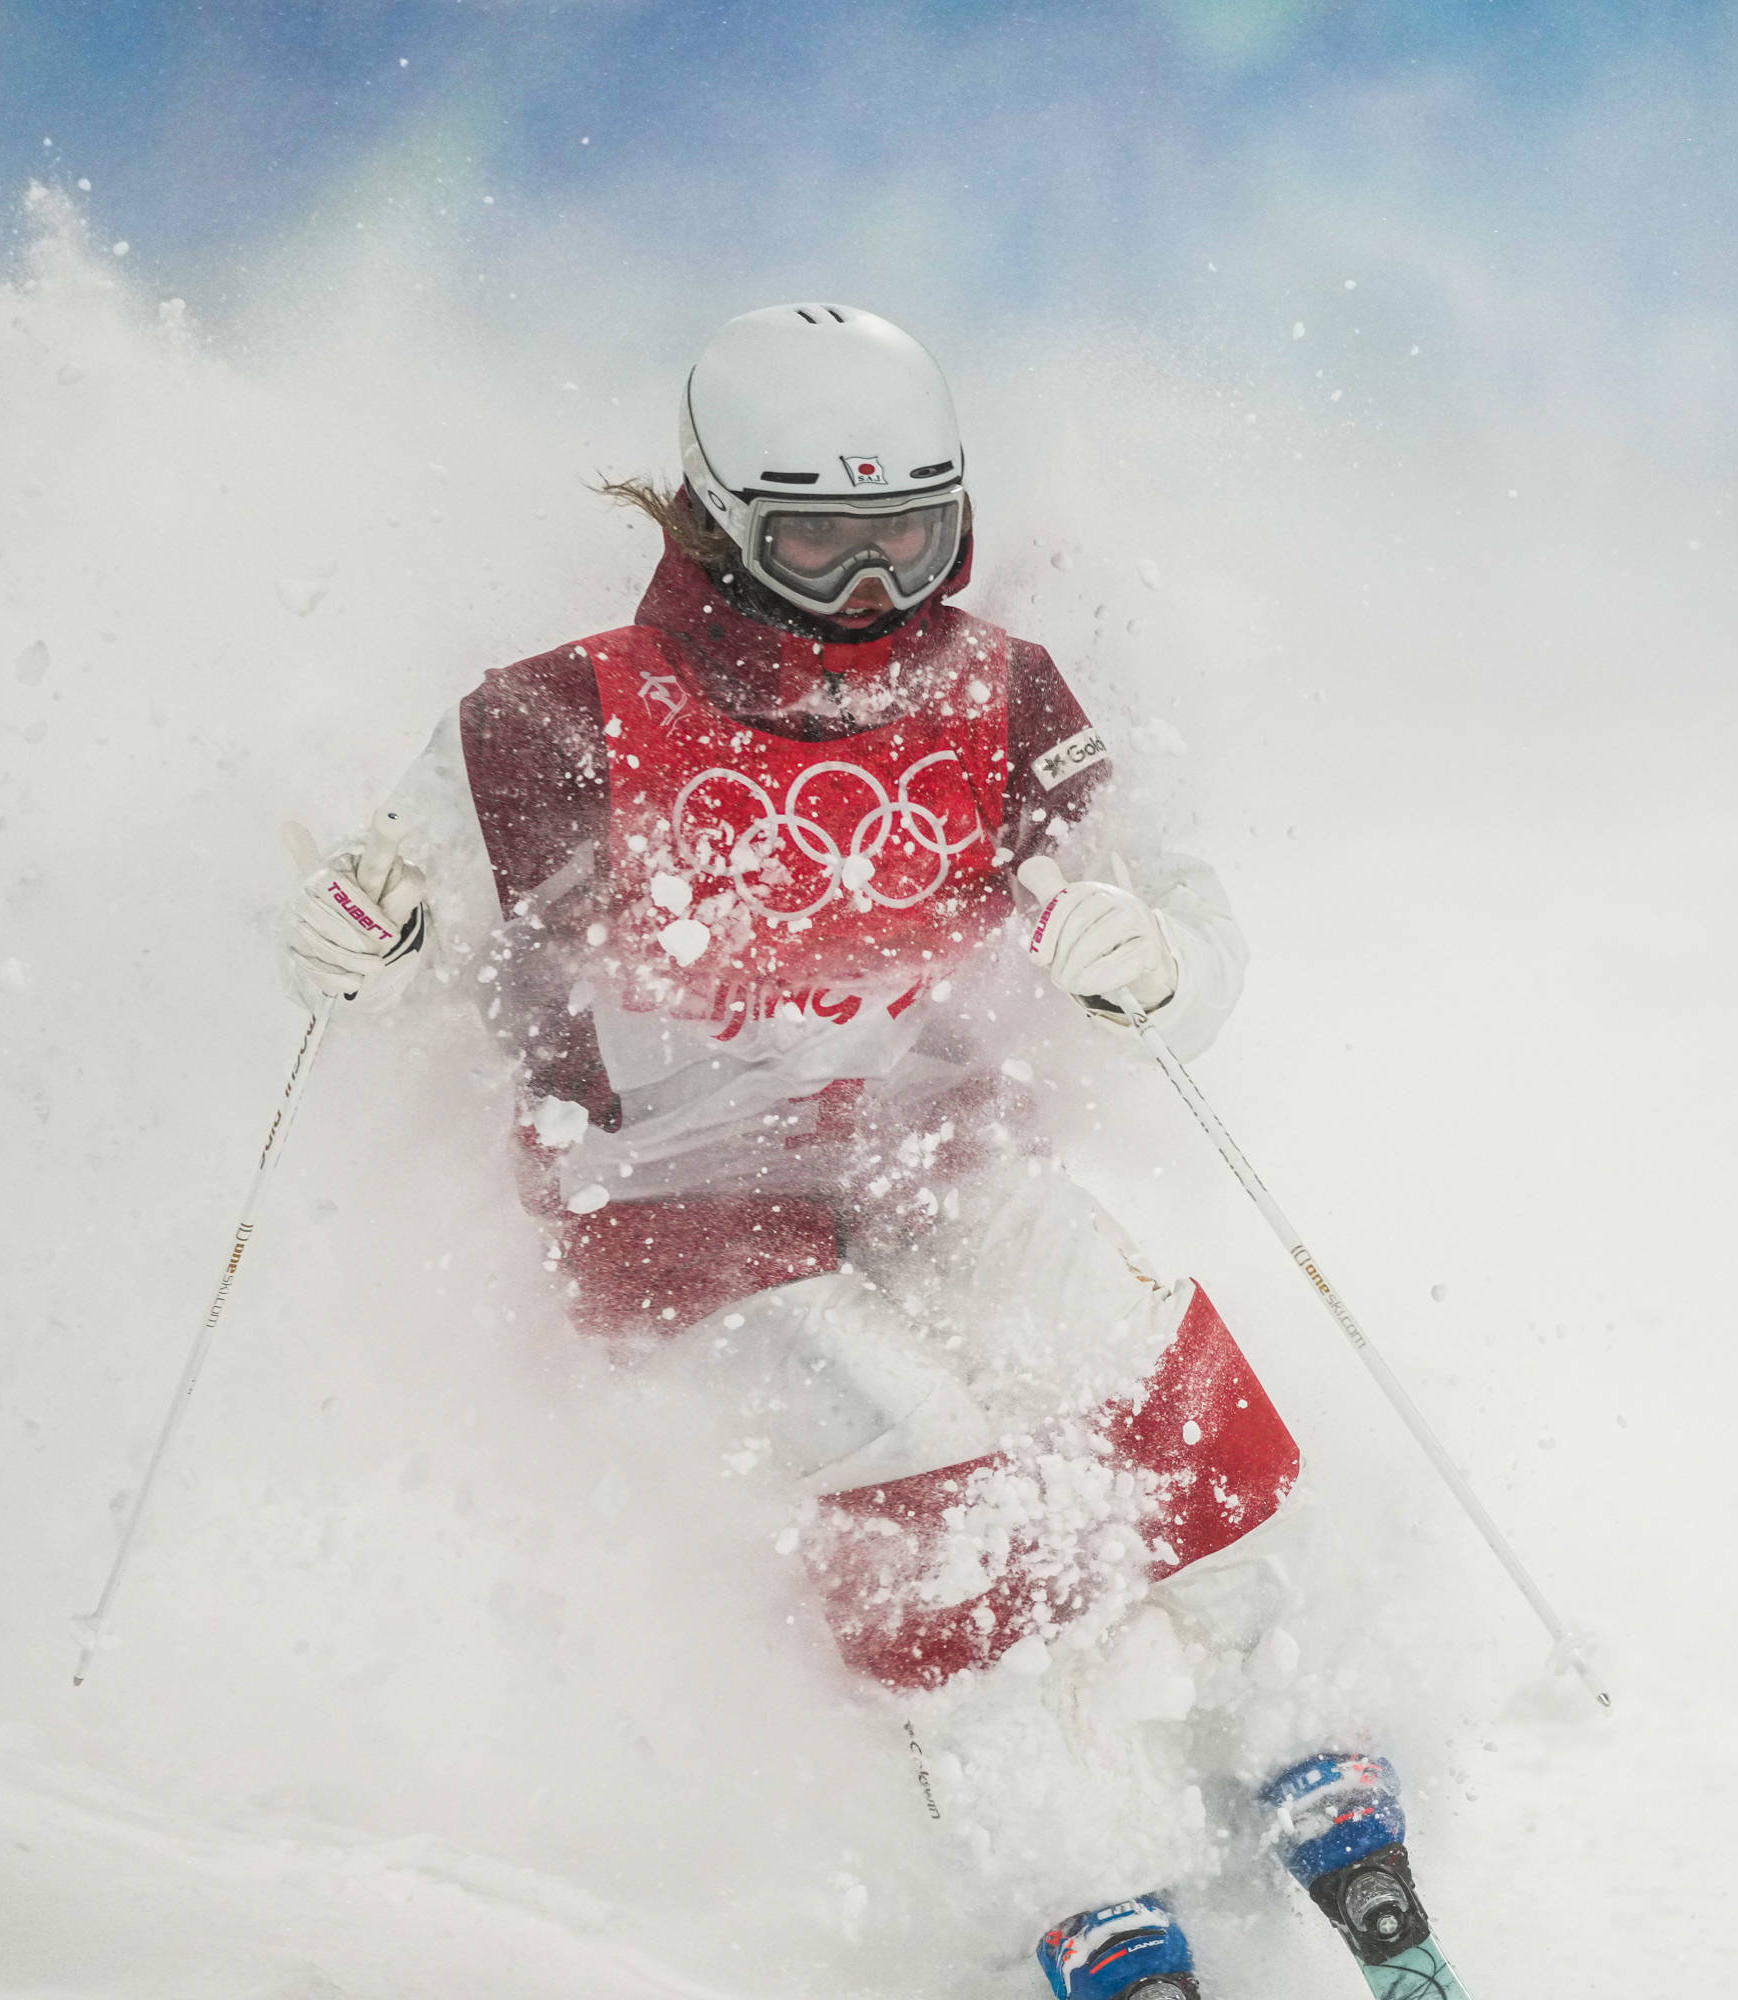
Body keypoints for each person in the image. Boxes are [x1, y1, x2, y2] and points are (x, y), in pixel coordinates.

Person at [281, 303, 1467, 2000]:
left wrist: (1158, 966)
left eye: (908, 538)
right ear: (715, 522)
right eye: (822, 545)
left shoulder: (1001, 699)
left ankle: (1281, 1719)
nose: (871, 594)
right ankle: (1055, 1849)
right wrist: (354, 951)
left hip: (917, 1146)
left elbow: (1174, 921)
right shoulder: (551, 727)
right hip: (668, 1210)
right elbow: (380, 931)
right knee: (927, 1438)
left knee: (1121, 1342)